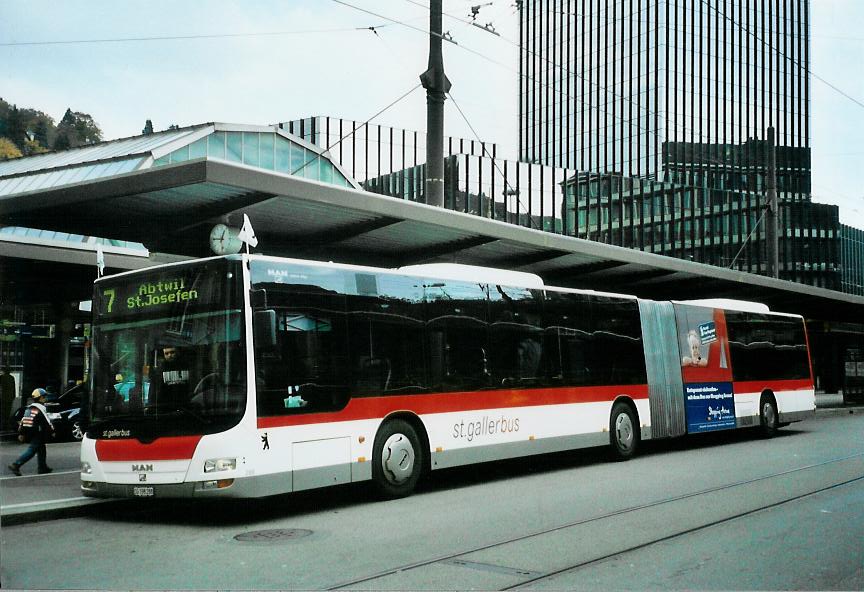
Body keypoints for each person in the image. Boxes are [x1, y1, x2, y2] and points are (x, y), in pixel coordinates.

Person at [7, 388, 55, 476]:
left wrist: (21, 433)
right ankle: (16, 464)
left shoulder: (29, 408)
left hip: (28, 430)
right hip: (37, 431)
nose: (45, 399)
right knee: (32, 450)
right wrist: (52, 430)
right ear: (40, 398)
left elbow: (23, 420)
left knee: (41, 448)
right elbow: (47, 420)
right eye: (44, 397)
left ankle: (42, 467)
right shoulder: (41, 408)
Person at [0, 367, 15, 432]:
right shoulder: (12, 378)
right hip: (9, 398)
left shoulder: (1, 377)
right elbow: (14, 388)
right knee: (7, 413)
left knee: (2, 413)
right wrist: (13, 396)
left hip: (2, 398)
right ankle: (6, 426)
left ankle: (2, 426)